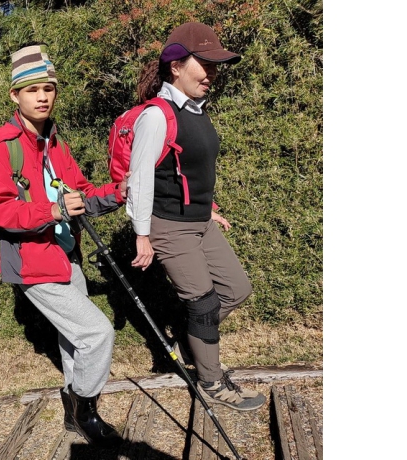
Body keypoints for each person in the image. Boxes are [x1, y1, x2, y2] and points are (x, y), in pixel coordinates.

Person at [0, 44, 126, 447]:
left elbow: (81, 193)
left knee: (72, 338)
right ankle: (85, 410)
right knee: (96, 333)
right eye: (32, 90)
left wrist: (119, 192)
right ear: (15, 95)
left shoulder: (56, 142)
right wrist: (54, 209)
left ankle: (70, 412)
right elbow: (0, 212)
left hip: (66, 255)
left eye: (48, 88)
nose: (42, 96)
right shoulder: (1, 146)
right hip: (30, 261)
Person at [126, 22, 266, 411]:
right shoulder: (157, 115)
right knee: (203, 304)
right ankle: (211, 379)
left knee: (237, 289)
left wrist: (211, 210)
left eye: (215, 65)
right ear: (176, 66)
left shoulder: (197, 110)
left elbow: (193, 169)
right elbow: (140, 178)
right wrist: (142, 234)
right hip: (169, 226)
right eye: (203, 64)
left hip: (200, 221)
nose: (212, 73)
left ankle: (193, 337)